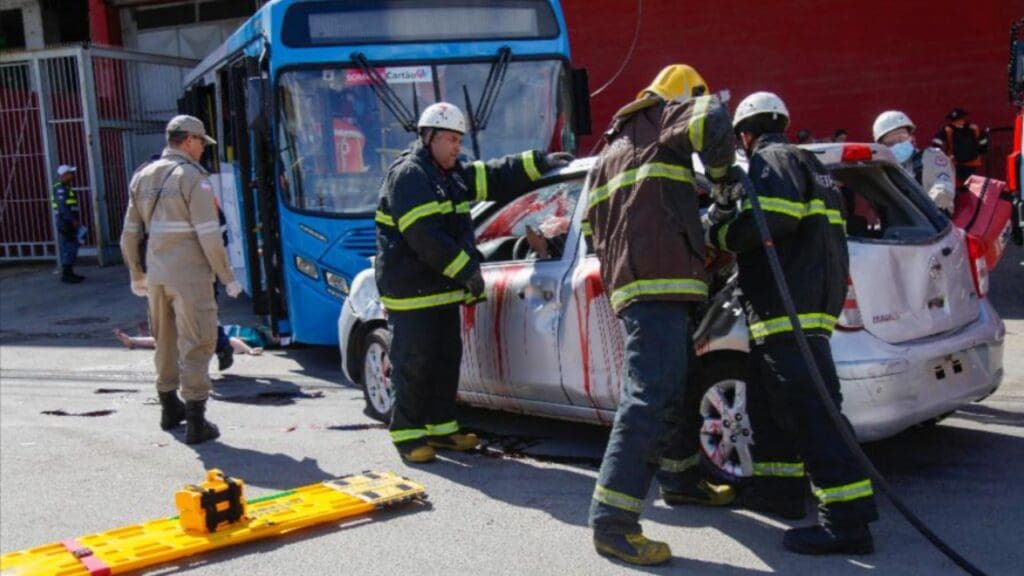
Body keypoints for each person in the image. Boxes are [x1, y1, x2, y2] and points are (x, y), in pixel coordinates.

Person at [709, 92, 878, 555]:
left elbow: (771, 223)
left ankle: (847, 522)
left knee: (814, 414)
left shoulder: (773, 161)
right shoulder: (808, 164)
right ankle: (779, 492)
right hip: (799, 307)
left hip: (790, 309)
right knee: (773, 406)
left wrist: (720, 231)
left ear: (745, 135)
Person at [584, 64, 737, 566]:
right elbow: (712, 116)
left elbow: (593, 228)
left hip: (640, 287)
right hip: (660, 286)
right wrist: (720, 181)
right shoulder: (662, 120)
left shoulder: (610, 150)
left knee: (673, 385)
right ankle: (613, 522)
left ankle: (681, 478)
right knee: (647, 399)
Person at [374, 102, 573, 464]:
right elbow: (425, 237)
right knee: (415, 363)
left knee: (446, 360)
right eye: (450, 139)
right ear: (429, 137)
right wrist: (468, 270)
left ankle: (442, 429)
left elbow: (493, 176)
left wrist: (537, 162)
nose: (456, 147)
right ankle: (407, 435)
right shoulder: (410, 175)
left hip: (439, 291)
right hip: (412, 294)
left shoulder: (449, 174)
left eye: (459, 141)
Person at [120, 115, 242, 445]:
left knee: (166, 341)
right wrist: (227, 276)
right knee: (198, 342)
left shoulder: (142, 176)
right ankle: (196, 420)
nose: (203, 149)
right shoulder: (193, 178)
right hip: (190, 277)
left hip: (156, 274)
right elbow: (209, 236)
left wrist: (136, 272)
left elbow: (129, 234)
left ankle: (168, 407)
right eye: (202, 142)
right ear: (188, 140)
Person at [873, 110, 955, 214]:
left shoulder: (930, 157)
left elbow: (942, 190)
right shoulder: (884, 169)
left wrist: (929, 214)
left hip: (931, 223)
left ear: (911, 137)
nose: (897, 145)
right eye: (890, 143)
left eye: (901, 139)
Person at [932, 107, 989, 186]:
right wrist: (981, 151)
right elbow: (983, 141)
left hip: (957, 162)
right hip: (970, 162)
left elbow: (937, 141)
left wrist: (939, 153)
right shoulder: (974, 127)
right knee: (970, 184)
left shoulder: (948, 129)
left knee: (958, 184)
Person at [51, 164, 85, 283]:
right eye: (70, 173)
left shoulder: (66, 187)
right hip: (65, 222)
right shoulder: (60, 188)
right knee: (69, 246)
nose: (72, 175)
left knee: (72, 246)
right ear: (64, 175)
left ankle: (70, 272)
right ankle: (67, 274)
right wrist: (73, 221)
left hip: (67, 221)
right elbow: (63, 208)